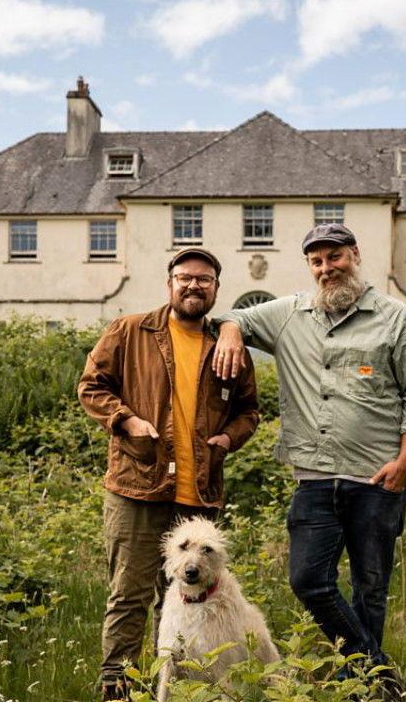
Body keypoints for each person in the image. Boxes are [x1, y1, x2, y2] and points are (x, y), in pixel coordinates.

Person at [212, 223, 406, 694]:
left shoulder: (395, 317)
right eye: (316, 261)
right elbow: (235, 316)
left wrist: (405, 462)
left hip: (378, 479)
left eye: (334, 257)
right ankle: (379, 672)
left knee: (370, 587)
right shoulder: (289, 314)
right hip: (314, 480)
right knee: (308, 579)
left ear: (354, 254)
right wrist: (232, 332)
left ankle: (362, 688)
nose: (326, 268)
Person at [78, 248, 259, 701]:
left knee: (182, 599)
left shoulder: (227, 345)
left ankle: (173, 690)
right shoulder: (129, 331)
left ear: (216, 289)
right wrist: (126, 420)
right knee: (130, 595)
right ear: (170, 284)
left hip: (198, 492)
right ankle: (118, 691)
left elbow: (249, 411)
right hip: (137, 485)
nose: (194, 285)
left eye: (204, 279)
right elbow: (91, 386)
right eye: (185, 277)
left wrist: (228, 439)